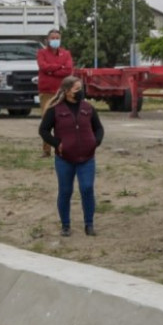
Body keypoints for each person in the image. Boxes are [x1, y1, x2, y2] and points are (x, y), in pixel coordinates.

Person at [39, 76, 104, 237]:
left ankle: (89, 224)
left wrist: (95, 142)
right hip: (64, 159)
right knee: (65, 191)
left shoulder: (88, 108)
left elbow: (99, 128)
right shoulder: (55, 109)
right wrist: (57, 144)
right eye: (76, 89)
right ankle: (65, 225)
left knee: (87, 188)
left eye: (80, 88)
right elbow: (43, 130)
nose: (80, 91)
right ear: (67, 92)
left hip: (87, 157)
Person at [37, 29, 74, 157]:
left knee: (63, 121)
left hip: (62, 91)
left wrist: (52, 70)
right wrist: (60, 66)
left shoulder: (66, 53)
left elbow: (68, 70)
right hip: (46, 92)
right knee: (46, 121)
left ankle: (62, 147)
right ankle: (46, 150)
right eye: (52, 38)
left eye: (57, 38)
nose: (55, 40)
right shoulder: (41, 53)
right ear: (47, 40)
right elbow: (43, 67)